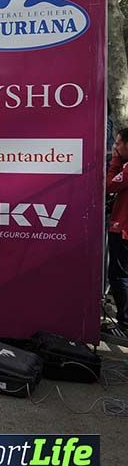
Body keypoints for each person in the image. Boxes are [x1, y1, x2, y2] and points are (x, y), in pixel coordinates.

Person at [106, 128, 128, 335]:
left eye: (118, 142)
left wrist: (114, 162)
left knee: (119, 275)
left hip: (123, 229)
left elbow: (109, 185)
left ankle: (124, 322)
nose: (115, 146)